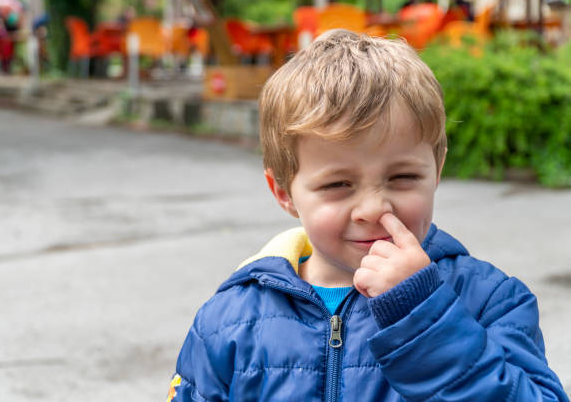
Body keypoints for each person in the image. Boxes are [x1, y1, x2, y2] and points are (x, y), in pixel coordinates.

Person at [167, 30, 569, 401]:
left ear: (437, 169)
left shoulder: (489, 302)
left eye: (403, 176)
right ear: (284, 192)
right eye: (338, 185)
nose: (375, 208)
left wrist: (424, 319)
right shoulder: (228, 322)